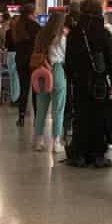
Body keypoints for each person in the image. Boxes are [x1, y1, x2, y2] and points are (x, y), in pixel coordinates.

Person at [65, 0, 112, 168]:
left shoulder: (75, 33)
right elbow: (110, 59)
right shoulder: (104, 32)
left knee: (80, 116)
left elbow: (69, 60)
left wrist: (71, 78)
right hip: (99, 82)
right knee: (99, 117)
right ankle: (98, 155)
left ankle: (79, 154)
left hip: (80, 81)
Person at [32, 11, 67, 153]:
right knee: (58, 109)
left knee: (41, 109)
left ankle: (38, 141)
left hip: (41, 72)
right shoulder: (61, 37)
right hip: (57, 70)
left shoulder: (40, 35)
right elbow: (65, 56)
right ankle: (55, 143)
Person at [9, 5, 41, 127]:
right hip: (33, 60)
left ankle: (21, 117)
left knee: (24, 89)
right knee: (36, 90)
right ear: (31, 13)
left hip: (20, 59)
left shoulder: (16, 26)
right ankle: (37, 118)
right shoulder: (35, 26)